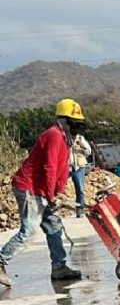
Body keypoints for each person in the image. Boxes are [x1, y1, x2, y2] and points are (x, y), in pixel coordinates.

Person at [0, 99, 86, 288]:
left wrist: (59, 192)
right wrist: (50, 194)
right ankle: (0, 260)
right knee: (30, 231)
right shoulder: (54, 135)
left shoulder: (66, 140)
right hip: (29, 187)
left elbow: (63, 169)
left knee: (54, 226)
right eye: (73, 122)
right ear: (63, 120)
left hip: (43, 189)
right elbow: (49, 167)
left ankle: (59, 267)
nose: (76, 126)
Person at [70, 130, 91, 218]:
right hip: (67, 166)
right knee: (57, 188)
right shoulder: (64, 138)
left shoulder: (80, 139)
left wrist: (81, 143)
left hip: (79, 167)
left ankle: (80, 210)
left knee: (80, 190)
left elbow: (88, 152)